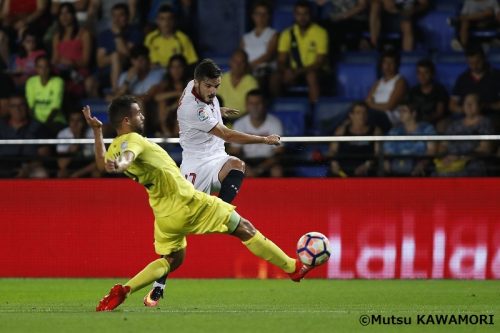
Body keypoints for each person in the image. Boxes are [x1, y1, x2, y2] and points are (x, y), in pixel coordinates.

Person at [83, 95, 315, 312]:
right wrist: (123, 163)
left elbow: (104, 163)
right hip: (187, 203)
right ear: (126, 120)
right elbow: (127, 158)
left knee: (172, 260)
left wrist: (97, 132)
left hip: (164, 216)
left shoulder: (115, 145)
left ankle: (124, 290)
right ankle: (292, 268)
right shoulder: (133, 140)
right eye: (138, 114)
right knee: (244, 228)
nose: (142, 116)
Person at [143, 59, 285, 306]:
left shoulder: (195, 88)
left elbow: (212, 116)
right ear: (198, 82)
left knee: (237, 165)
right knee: (178, 235)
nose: (213, 91)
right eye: (209, 86)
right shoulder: (192, 109)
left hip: (216, 157)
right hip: (195, 166)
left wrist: (220, 111)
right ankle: (159, 284)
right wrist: (264, 140)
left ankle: (220, 212)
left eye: (217, 86)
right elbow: (228, 134)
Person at [273, 0, 328, 103]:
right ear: (294, 15)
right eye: (299, 14)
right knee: (275, 77)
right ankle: (279, 106)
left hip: (315, 71)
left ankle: (315, 108)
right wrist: (286, 70)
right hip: (294, 72)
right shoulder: (287, 33)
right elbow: (281, 60)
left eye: (305, 14)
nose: (302, 17)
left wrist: (298, 72)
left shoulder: (320, 32)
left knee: (311, 75)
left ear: (310, 15)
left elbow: (319, 62)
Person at [435, 93, 494, 177]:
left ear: (480, 106)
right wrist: (444, 157)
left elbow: (485, 148)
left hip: (473, 161)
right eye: (466, 103)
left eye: (472, 103)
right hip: (451, 160)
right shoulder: (455, 124)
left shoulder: (485, 123)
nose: (468, 105)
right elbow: (443, 145)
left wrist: (460, 158)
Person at [229, 89, 285, 178]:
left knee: (277, 170)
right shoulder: (239, 124)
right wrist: (246, 168)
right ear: (246, 106)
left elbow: (279, 153)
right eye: (251, 104)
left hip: (268, 162)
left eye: (258, 103)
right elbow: (234, 152)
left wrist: (260, 168)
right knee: (235, 169)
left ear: (264, 104)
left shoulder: (274, 123)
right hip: (246, 161)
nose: (255, 107)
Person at [94, 2, 143, 93]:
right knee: (90, 83)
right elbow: (100, 61)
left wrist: (117, 35)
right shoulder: (104, 35)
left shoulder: (135, 33)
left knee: (115, 55)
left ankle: (115, 91)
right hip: (105, 72)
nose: (117, 19)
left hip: (126, 71)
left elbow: (128, 55)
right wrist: (113, 59)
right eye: (114, 16)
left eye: (121, 15)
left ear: (128, 17)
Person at [326, 101, 382, 177]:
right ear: (351, 115)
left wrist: (367, 165)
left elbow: (377, 153)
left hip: (366, 170)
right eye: (358, 113)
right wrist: (334, 163)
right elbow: (332, 150)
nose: (362, 116)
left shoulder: (375, 130)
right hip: (343, 171)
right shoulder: (341, 130)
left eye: (364, 113)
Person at [0, 94, 50, 178]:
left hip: (29, 166)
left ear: (26, 107)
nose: (17, 109)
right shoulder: (1, 126)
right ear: (8, 108)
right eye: (13, 106)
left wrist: (28, 168)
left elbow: (44, 154)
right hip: (3, 165)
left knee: (41, 173)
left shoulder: (38, 127)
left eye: (21, 105)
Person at [383, 102, 436, 176]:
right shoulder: (394, 131)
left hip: (419, 169)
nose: (400, 114)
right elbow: (387, 151)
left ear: (413, 113)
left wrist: (422, 164)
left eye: (404, 111)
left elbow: (431, 150)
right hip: (396, 170)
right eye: (400, 111)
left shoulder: (426, 128)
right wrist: (387, 165)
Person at [365, 49, 407, 132]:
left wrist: (372, 105)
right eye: (385, 62)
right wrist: (372, 105)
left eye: (391, 63)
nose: (388, 66)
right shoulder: (378, 83)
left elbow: (389, 106)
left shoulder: (400, 81)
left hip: (390, 118)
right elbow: (367, 101)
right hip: (375, 113)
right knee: (352, 111)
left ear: (396, 65)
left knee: (367, 115)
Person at [144, 4, 198, 68]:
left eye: (169, 19)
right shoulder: (150, 38)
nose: (166, 22)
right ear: (157, 21)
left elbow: (192, 62)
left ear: (174, 21)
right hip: (155, 73)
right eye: (162, 19)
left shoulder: (183, 38)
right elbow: (143, 60)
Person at [240, 1, 277, 88]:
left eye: (264, 14)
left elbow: (269, 55)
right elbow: (241, 56)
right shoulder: (246, 37)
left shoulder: (273, 34)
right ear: (253, 16)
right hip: (248, 70)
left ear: (268, 16)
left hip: (265, 72)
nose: (261, 17)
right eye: (258, 14)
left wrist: (249, 66)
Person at [25, 55, 65, 135]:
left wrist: (44, 126)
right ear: (36, 68)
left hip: (54, 121)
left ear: (50, 68)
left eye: (46, 67)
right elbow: (30, 107)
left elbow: (55, 108)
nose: (43, 70)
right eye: (40, 67)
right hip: (36, 121)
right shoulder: (31, 82)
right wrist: (35, 123)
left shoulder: (58, 81)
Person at [407, 59, 449, 133]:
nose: (422, 76)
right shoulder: (413, 91)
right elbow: (409, 109)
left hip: (435, 122)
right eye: (419, 73)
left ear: (432, 74)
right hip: (417, 122)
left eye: (426, 72)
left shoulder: (440, 90)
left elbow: (439, 112)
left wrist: (426, 119)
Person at [217, 49, 259, 120]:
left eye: (241, 62)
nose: (238, 65)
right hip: (222, 120)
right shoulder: (221, 79)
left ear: (246, 64)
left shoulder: (252, 82)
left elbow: (254, 107)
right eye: (235, 61)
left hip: (243, 120)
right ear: (230, 62)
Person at [56, 109, 98, 178]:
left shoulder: (92, 133)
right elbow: (61, 164)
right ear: (69, 122)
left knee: (96, 172)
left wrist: (78, 174)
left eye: (78, 120)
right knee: (61, 173)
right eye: (72, 120)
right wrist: (72, 150)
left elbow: (98, 162)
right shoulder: (63, 134)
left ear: (84, 122)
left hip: (88, 165)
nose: (75, 124)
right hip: (71, 165)